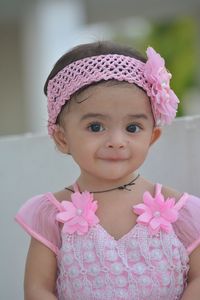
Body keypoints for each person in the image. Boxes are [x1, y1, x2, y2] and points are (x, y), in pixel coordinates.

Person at [15, 41, 200, 300]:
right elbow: (38, 289)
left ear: (152, 136)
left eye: (133, 128)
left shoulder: (180, 212)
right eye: (95, 127)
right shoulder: (53, 215)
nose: (117, 140)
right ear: (62, 138)